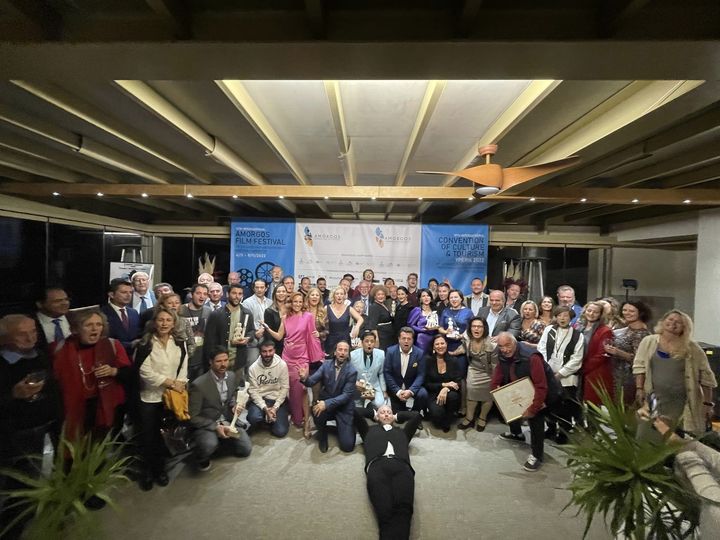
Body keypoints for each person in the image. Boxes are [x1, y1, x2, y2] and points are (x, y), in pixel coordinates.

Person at [0, 315, 63, 539]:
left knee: (38, 476)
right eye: (22, 334)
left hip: (45, 425)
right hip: (16, 434)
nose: (30, 338)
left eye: (33, 331)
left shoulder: (39, 355)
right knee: (16, 482)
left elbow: (52, 389)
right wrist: (12, 395)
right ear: (5, 338)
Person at [633, 310, 717, 437]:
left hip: (680, 402)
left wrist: (707, 403)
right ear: (663, 321)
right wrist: (639, 388)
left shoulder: (693, 348)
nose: (673, 323)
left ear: (684, 327)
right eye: (670, 319)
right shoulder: (648, 341)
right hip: (654, 399)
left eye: (678, 322)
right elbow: (639, 367)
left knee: (674, 437)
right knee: (648, 432)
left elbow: (707, 378)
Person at [53, 308, 131, 441]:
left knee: (105, 443)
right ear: (76, 329)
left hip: (108, 405)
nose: (95, 329)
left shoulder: (113, 345)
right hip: (75, 407)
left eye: (99, 324)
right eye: (88, 325)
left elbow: (129, 373)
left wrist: (113, 371)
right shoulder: (61, 349)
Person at [134, 307, 188, 490]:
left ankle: (160, 470)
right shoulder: (145, 343)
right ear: (154, 322)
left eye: (168, 320)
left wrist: (179, 384)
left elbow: (184, 366)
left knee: (166, 436)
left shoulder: (179, 342)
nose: (164, 323)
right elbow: (144, 372)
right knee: (149, 438)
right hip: (150, 398)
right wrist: (171, 383)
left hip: (170, 398)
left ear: (174, 323)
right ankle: (148, 472)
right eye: (161, 320)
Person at [353, 405, 422, 540]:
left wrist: (396, 416)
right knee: (384, 509)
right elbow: (355, 411)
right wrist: (373, 414)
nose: (385, 414)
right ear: (377, 417)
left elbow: (417, 416)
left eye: (389, 412)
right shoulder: (368, 431)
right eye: (382, 412)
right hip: (377, 467)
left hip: (402, 467)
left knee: (404, 509)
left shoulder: (403, 433)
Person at [265, 291, 324, 435]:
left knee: (303, 389)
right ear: (290, 303)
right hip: (288, 357)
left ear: (303, 303)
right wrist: (267, 328)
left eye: (300, 302)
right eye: (295, 301)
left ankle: (306, 423)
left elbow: (312, 336)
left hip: (302, 357)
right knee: (291, 390)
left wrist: (318, 351)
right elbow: (279, 337)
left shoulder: (308, 316)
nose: (297, 304)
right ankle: (297, 417)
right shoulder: (285, 317)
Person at [492, 333, 549, 472]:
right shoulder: (502, 353)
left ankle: (537, 455)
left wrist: (533, 408)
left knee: (536, 420)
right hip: (519, 386)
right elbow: (499, 369)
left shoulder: (532, 357)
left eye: (507, 345)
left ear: (515, 343)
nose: (504, 350)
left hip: (540, 391)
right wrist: (495, 388)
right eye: (501, 346)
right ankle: (517, 434)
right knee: (509, 406)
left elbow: (541, 386)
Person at [189, 347, 252, 471]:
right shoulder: (199, 385)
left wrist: (234, 405)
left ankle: (221, 442)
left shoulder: (231, 376)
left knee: (246, 449)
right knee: (209, 445)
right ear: (210, 362)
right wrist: (215, 427)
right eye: (218, 361)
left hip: (227, 420)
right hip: (208, 424)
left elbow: (232, 395)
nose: (223, 364)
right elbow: (193, 417)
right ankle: (201, 455)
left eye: (225, 360)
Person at [299, 341, 358, 453]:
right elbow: (311, 381)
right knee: (316, 410)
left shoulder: (352, 371)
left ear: (348, 354)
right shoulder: (326, 364)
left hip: (343, 407)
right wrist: (304, 378)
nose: (342, 352)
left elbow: (346, 396)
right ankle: (323, 435)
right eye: (340, 349)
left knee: (348, 446)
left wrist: (326, 403)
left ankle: (346, 427)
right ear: (335, 352)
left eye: (345, 350)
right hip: (326, 403)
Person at [537, 306, 584, 444]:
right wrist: (546, 369)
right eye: (559, 315)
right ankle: (551, 428)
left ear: (571, 318)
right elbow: (541, 348)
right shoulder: (549, 330)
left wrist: (560, 373)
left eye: (565, 316)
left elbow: (577, 359)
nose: (562, 318)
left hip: (567, 377)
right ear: (556, 317)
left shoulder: (578, 335)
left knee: (565, 406)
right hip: (548, 373)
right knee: (549, 404)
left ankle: (564, 432)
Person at [604, 301, 652, 406]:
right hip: (616, 374)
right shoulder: (624, 330)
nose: (627, 313)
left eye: (631, 311)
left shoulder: (642, 334)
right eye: (624, 310)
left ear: (641, 313)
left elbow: (641, 360)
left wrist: (618, 352)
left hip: (630, 378)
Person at [203, 284, 255, 376]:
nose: (237, 296)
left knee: (237, 384)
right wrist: (210, 361)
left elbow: (252, 331)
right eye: (234, 293)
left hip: (239, 361)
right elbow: (209, 340)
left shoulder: (247, 313)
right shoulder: (216, 314)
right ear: (227, 294)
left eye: (240, 294)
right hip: (219, 361)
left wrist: (248, 338)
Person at [457, 316, 498, 432]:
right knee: (471, 392)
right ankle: (469, 418)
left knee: (487, 396)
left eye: (479, 326)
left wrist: (495, 381)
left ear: (484, 328)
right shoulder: (467, 340)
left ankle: (482, 418)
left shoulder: (493, 345)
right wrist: (452, 353)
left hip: (489, 372)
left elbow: (496, 365)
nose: (476, 329)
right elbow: (462, 349)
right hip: (474, 370)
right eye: (474, 326)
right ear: (470, 328)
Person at [247, 340, 290, 437]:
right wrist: (265, 408)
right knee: (253, 418)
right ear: (260, 352)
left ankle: (270, 419)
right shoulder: (253, 368)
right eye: (264, 351)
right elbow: (253, 391)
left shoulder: (282, 365)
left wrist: (275, 408)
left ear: (274, 350)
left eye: (270, 351)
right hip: (261, 400)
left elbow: (285, 388)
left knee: (280, 432)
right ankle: (265, 417)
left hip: (277, 400)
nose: (267, 354)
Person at [576, 301, 614, 405]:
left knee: (592, 405)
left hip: (594, 372)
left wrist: (583, 368)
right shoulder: (578, 328)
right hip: (577, 370)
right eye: (589, 310)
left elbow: (602, 355)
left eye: (595, 312)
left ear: (600, 314)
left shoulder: (605, 331)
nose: (591, 314)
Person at [383, 328, 427, 413]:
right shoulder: (390, 351)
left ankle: (414, 413)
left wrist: (411, 391)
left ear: (413, 340)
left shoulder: (419, 353)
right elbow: (387, 373)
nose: (406, 341)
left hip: (411, 385)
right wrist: (398, 391)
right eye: (403, 338)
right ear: (399, 339)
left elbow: (421, 375)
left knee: (423, 394)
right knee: (399, 416)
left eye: (409, 339)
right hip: (395, 387)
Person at [424, 334, 462, 432]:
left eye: (442, 343)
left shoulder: (454, 360)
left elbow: (458, 382)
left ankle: (449, 417)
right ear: (433, 347)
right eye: (437, 344)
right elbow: (426, 384)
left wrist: (446, 389)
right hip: (433, 393)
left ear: (446, 344)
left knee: (453, 396)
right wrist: (443, 385)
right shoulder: (427, 360)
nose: (440, 346)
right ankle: (440, 412)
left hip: (450, 393)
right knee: (437, 416)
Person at [178, 283, 211, 381]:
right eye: (198, 293)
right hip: (184, 359)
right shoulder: (180, 310)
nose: (202, 296)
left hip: (201, 359)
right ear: (192, 295)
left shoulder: (208, 311)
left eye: (205, 294)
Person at [100, 278, 141, 357]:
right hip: (112, 356)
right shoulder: (102, 313)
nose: (128, 295)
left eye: (130, 292)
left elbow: (138, 334)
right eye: (124, 292)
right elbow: (104, 340)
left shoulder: (133, 313)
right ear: (111, 295)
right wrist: (130, 344)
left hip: (133, 357)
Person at [349, 331, 387, 408]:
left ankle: (370, 406)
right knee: (356, 407)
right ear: (362, 342)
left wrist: (384, 390)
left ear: (375, 343)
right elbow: (349, 374)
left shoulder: (381, 354)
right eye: (366, 341)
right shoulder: (353, 355)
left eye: (372, 341)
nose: (369, 343)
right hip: (358, 387)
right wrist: (355, 383)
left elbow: (381, 373)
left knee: (379, 404)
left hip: (374, 385)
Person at [325, 286, 364, 354]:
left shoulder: (349, 308)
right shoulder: (327, 308)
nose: (339, 296)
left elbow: (360, 319)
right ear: (333, 295)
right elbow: (320, 321)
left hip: (345, 339)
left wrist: (357, 327)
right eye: (337, 294)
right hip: (331, 340)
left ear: (344, 296)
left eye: (341, 294)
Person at [33, 286, 71, 352]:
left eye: (66, 299)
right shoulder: (30, 323)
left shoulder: (74, 317)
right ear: (40, 304)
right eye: (57, 301)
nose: (65, 303)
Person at [407, 288, 439, 354]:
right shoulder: (417, 310)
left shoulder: (435, 310)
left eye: (428, 295)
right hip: (422, 340)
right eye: (423, 296)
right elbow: (410, 325)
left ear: (431, 298)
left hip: (435, 339)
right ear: (420, 299)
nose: (426, 298)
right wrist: (423, 330)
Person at [366, 285, 395, 351]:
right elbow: (373, 325)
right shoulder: (374, 307)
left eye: (382, 294)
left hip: (388, 336)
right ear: (375, 296)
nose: (381, 296)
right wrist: (376, 340)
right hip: (381, 336)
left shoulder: (384, 304)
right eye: (378, 294)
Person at [263, 285, 288, 356]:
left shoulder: (290, 309)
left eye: (283, 291)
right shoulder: (269, 311)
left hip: (290, 345)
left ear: (286, 293)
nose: (281, 293)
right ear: (274, 294)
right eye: (278, 292)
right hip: (276, 346)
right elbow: (268, 334)